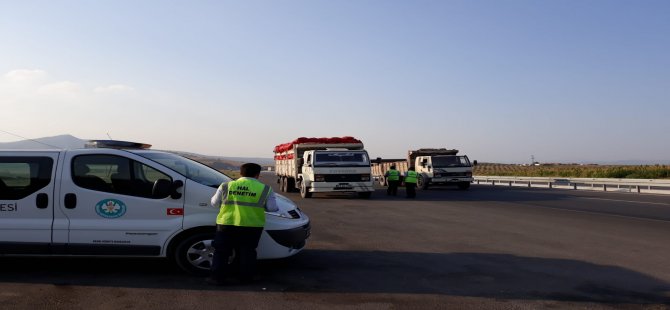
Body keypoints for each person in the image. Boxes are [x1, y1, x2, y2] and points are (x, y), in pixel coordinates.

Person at [208, 163, 278, 285]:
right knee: (247, 252)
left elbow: (214, 203)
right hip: (252, 225)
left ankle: (217, 278)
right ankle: (246, 278)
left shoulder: (226, 186)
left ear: (240, 173)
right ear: (258, 175)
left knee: (221, 251)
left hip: (226, 223)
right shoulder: (265, 189)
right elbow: (272, 208)